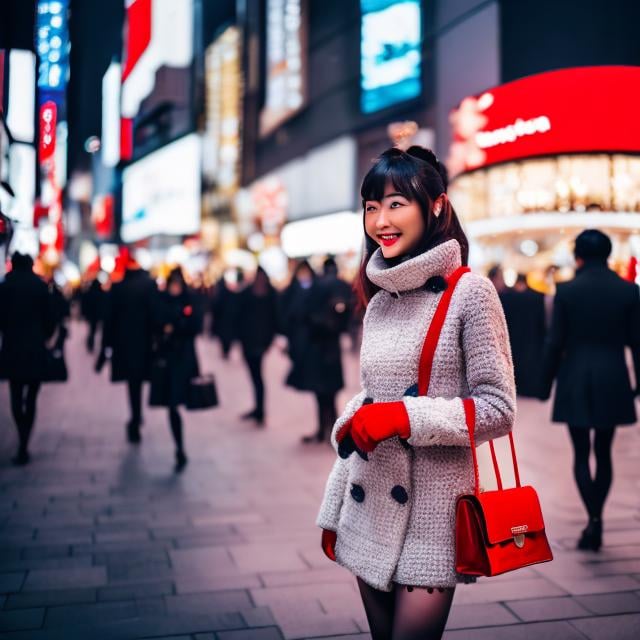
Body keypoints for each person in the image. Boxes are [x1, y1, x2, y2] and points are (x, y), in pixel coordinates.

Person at [316, 146, 515, 640]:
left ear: (437, 205)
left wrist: (405, 418)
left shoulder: (469, 292)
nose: (381, 220)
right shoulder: (379, 297)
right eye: (370, 206)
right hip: (367, 503)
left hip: (433, 513)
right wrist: (335, 498)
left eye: (396, 203)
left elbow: (498, 408)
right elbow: (370, 394)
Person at [541, 229, 640, 552]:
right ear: (608, 254)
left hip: (575, 377)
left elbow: (555, 342)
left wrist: (544, 384)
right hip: (613, 376)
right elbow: (637, 343)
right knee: (605, 452)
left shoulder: (567, 291)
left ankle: (593, 520)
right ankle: (598, 519)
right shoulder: (628, 291)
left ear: (578, 255)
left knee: (581, 453)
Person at [281, 260, 346, 443]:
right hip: (321, 353)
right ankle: (325, 431)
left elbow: (335, 321)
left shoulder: (323, 290)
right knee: (322, 394)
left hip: (326, 352)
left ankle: (332, 432)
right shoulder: (320, 290)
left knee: (328, 395)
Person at [0, 253, 55, 465]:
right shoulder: (39, 286)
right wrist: (45, 336)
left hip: (13, 346)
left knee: (15, 394)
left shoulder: (6, 287)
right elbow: (50, 318)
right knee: (31, 396)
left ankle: (21, 429)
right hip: (35, 347)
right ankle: (24, 441)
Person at [98, 249, 156, 444]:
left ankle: (135, 417)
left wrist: (104, 350)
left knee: (133, 384)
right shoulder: (149, 286)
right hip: (145, 343)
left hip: (124, 345)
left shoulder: (118, 288)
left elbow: (109, 321)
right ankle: (137, 417)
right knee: (139, 382)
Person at [151, 268, 202, 471]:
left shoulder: (189, 301)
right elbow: (157, 324)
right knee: (172, 405)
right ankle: (179, 448)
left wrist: (175, 326)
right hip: (167, 361)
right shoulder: (161, 302)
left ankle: (180, 448)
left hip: (184, 361)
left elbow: (194, 326)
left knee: (179, 401)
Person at [237, 267, 278, 425]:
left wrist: (270, 339)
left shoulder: (270, 294)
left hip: (260, 342)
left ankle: (260, 409)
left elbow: (275, 317)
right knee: (255, 376)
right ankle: (258, 408)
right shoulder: (247, 294)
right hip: (249, 341)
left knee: (257, 377)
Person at [499, 273, 546, 397]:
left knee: (514, 363)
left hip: (512, 338)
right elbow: (541, 322)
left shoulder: (506, 297)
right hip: (532, 337)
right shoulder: (538, 297)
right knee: (531, 363)